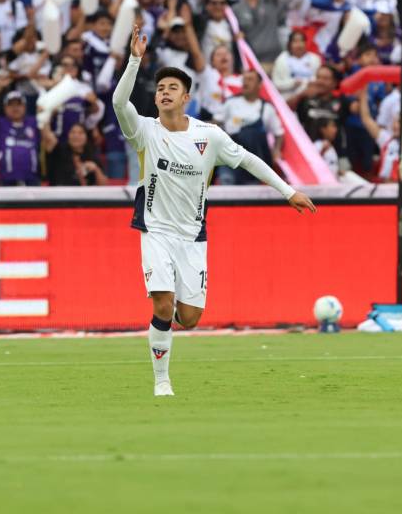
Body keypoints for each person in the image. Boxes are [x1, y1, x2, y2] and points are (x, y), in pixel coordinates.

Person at [113, 25, 315, 397]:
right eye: (160, 88)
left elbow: (251, 160)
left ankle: (169, 322)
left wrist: (289, 192)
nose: (164, 92)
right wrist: (134, 60)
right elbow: (118, 103)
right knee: (162, 302)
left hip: (193, 238)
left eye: (172, 87)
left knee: (188, 318)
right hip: (155, 231)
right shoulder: (144, 131)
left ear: (186, 97)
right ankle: (162, 381)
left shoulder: (210, 136)